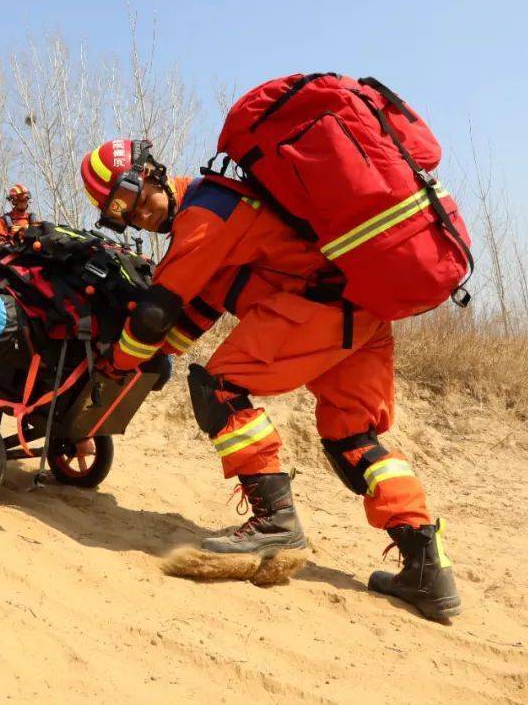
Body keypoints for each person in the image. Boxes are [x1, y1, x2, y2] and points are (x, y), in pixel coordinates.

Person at [80, 138, 461, 620]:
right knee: (353, 439)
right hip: (358, 311)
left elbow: (157, 312)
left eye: (130, 200)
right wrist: (151, 358)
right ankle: (428, 566)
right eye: (119, 214)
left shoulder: (206, 211)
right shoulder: (217, 209)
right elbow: (196, 312)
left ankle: (274, 522)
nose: (136, 217)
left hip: (319, 310)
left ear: (150, 175)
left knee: (218, 387)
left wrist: (117, 361)